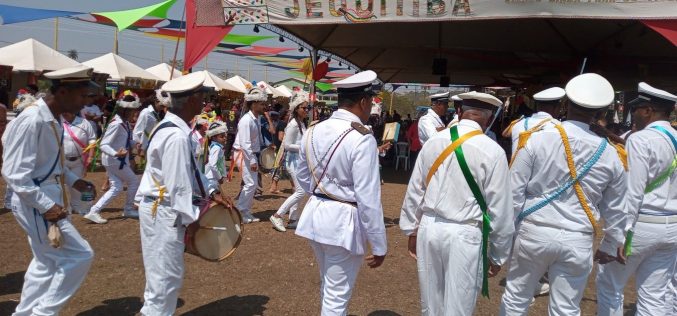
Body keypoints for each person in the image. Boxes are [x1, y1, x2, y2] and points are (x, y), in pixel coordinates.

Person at [500, 73, 628, 316]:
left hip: (533, 231)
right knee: (566, 309)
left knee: (516, 299)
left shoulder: (536, 139)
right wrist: (611, 244)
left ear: (566, 104)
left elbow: (513, 193)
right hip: (578, 237)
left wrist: (503, 238)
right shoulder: (611, 154)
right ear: (601, 113)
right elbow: (617, 207)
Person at [400, 91, 513, 315]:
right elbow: (500, 210)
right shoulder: (493, 151)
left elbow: (415, 190)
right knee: (459, 306)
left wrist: (412, 230)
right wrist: (499, 254)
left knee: (431, 303)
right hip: (465, 232)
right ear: (489, 119)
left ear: (459, 112)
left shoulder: (434, 141)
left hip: (429, 227)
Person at [2, 65, 97, 316]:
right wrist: (47, 206)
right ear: (63, 91)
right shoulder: (32, 120)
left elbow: (50, 164)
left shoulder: (52, 118)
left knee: (45, 262)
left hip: (47, 197)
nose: (86, 103)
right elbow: (15, 174)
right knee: (80, 255)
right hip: (37, 201)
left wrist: (74, 180)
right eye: (83, 96)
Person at [134, 72, 227, 316]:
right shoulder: (175, 135)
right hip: (165, 210)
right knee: (164, 279)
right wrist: (193, 219)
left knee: (164, 277)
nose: (203, 102)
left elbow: (193, 170)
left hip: (164, 209)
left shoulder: (173, 129)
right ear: (190, 101)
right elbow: (179, 186)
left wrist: (212, 189)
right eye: (200, 96)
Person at [295, 70, 387, 315]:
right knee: (336, 297)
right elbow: (368, 197)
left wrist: (323, 195)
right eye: (372, 102)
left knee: (330, 286)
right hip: (342, 223)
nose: (371, 108)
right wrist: (379, 244)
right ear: (364, 101)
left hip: (316, 215)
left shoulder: (313, 130)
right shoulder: (362, 137)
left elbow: (303, 176)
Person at [596, 82, 677, 316]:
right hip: (671, 225)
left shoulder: (640, 139)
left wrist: (614, 240)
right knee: (655, 295)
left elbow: (632, 191)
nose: (634, 115)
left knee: (610, 285)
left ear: (648, 111)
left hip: (641, 225)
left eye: (637, 109)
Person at [84, 93, 141, 224]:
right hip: (115, 160)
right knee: (133, 182)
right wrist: (116, 153)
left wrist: (135, 144)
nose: (134, 114)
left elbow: (126, 141)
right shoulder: (116, 124)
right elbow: (103, 144)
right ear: (125, 110)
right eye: (132, 111)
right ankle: (128, 208)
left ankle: (94, 211)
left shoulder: (124, 123)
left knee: (117, 187)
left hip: (114, 160)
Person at [270, 91, 309, 232]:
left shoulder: (301, 123)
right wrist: (303, 147)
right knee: (300, 191)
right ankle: (278, 215)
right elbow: (286, 145)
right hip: (293, 161)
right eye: (303, 108)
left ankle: (293, 219)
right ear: (296, 108)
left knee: (299, 190)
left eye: (307, 108)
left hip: (299, 161)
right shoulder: (293, 124)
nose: (306, 110)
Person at [233, 88, 267, 223]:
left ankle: (244, 211)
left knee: (252, 184)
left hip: (249, 153)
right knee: (251, 183)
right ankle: (240, 212)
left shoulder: (256, 119)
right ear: (253, 104)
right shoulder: (246, 120)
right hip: (243, 153)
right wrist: (252, 160)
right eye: (261, 103)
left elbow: (255, 138)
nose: (264, 106)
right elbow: (245, 143)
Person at [61, 111, 97, 215]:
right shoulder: (58, 122)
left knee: (76, 183)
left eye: (67, 111)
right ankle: (63, 206)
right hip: (63, 160)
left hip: (79, 160)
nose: (64, 114)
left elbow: (92, 140)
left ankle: (75, 205)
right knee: (60, 185)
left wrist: (90, 156)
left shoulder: (84, 123)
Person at [269, 109, 289, 194]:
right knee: (278, 168)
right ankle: (273, 187)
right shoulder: (283, 124)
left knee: (280, 168)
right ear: (285, 116)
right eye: (289, 114)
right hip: (281, 149)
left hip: (280, 148)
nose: (290, 116)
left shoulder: (282, 123)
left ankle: (273, 187)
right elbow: (280, 137)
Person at [205, 120, 228, 185]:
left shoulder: (216, 147)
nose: (224, 138)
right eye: (221, 137)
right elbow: (213, 165)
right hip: (212, 178)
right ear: (214, 137)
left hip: (213, 177)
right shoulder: (216, 148)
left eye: (225, 136)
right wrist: (219, 177)